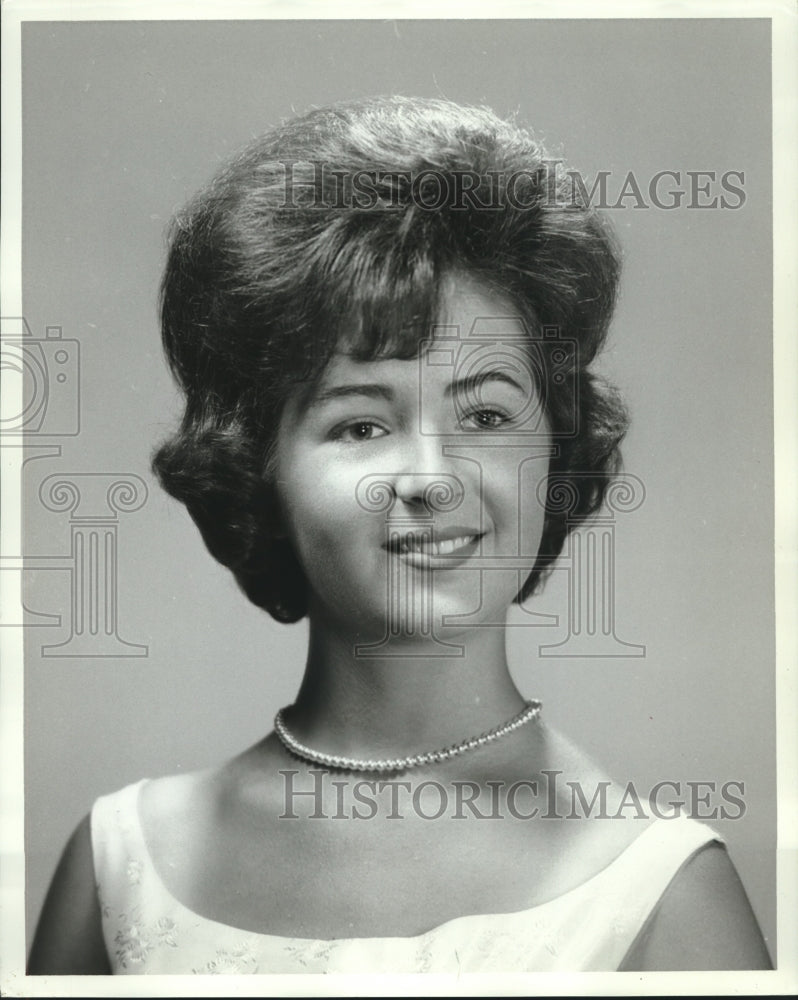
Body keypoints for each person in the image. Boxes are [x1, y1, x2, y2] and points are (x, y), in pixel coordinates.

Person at [28, 96, 771, 975]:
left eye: (488, 413)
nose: (434, 477)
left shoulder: (665, 891)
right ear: (255, 467)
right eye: (361, 426)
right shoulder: (120, 865)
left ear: (556, 449)